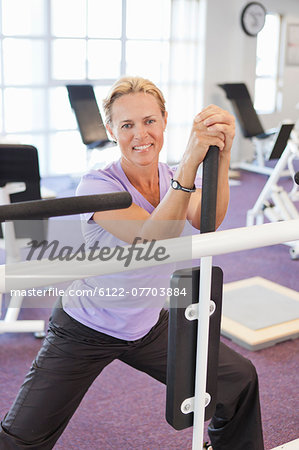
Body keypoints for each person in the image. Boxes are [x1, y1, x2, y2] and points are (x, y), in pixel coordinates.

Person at [0, 76, 264, 450]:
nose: (140, 134)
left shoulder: (171, 176)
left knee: (239, 381)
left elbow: (211, 218)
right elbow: (153, 238)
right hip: (87, 325)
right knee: (20, 439)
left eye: (149, 121)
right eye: (127, 125)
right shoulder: (97, 186)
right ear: (111, 130)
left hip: (149, 322)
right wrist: (190, 160)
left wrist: (223, 149)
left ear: (164, 120)